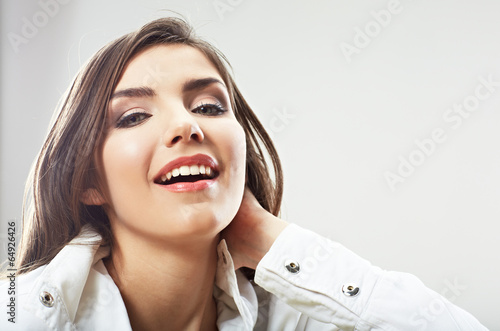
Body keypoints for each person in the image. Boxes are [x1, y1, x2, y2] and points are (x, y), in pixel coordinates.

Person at [0, 17, 488, 331]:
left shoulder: (296, 318)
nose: (188, 125)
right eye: (133, 116)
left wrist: (267, 237)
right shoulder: (18, 314)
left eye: (209, 105)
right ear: (88, 182)